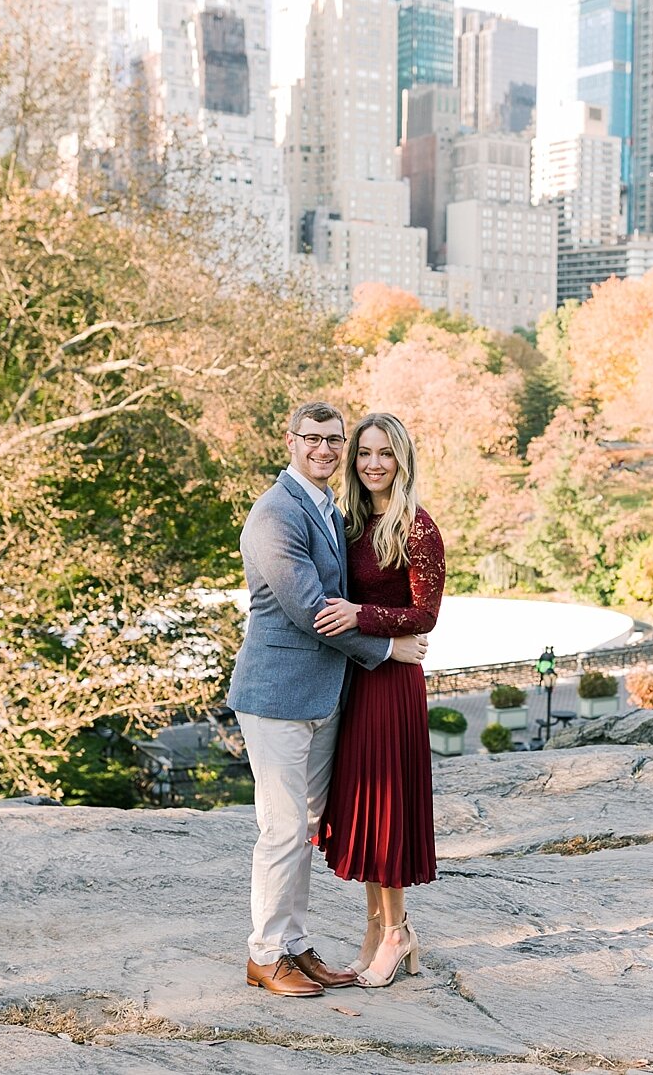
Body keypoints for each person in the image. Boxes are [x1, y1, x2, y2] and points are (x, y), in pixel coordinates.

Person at [228, 402, 428, 998]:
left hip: (323, 695)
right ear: (290, 440)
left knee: (305, 827)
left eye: (333, 440)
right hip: (277, 696)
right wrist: (388, 651)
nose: (324, 449)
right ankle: (264, 952)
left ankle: (292, 943)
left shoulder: (329, 509)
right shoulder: (274, 515)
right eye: (312, 438)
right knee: (282, 828)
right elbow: (312, 609)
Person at [314, 412, 443, 989]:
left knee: (387, 811)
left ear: (402, 459)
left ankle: (396, 934)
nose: (371, 463)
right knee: (366, 811)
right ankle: (378, 927)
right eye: (363, 452)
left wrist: (363, 616)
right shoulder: (350, 524)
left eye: (384, 453)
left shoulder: (418, 528)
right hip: (358, 679)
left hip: (394, 687)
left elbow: (425, 616)